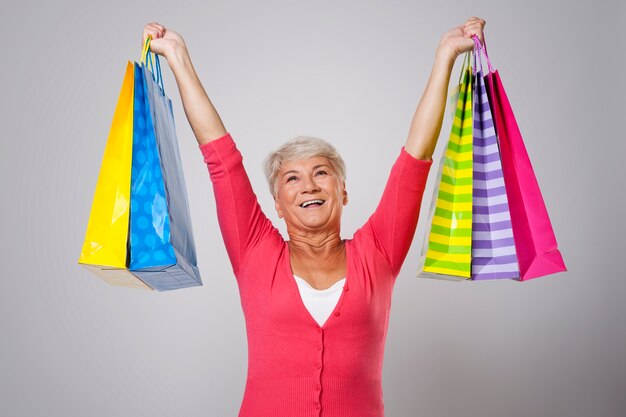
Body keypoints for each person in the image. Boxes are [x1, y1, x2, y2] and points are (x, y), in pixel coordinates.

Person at [142, 17, 485, 417]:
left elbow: (415, 160)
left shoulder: (378, 254)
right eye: (292, 178)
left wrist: (444, 56)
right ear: (277, 202)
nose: (308, 185)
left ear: (342, 191)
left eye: (321, 172)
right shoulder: (255, 252)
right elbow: (221, 158)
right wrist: (179, 58)